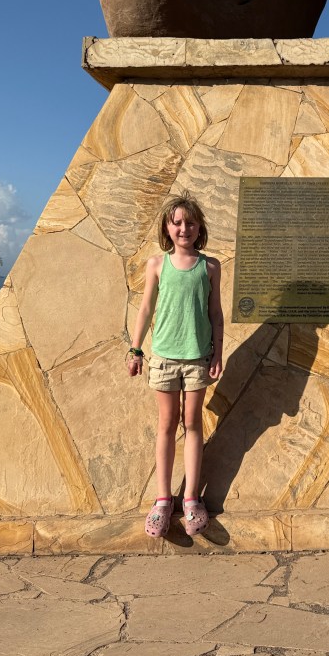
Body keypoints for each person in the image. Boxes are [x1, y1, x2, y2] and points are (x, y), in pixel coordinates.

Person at [127, 194, 224, 538]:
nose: (184, 228)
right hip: (164, 358)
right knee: (167, 424)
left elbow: (215, 312)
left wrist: (218, 352)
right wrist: (136, 349)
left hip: (197, 358)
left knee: (193, 423)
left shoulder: (210, 267)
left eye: (191, 222)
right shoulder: (157, 264)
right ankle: (162, 500)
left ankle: (191, 498)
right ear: (167, 228)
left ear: (200, 227)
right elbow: (145, 309)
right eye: (177, 222)